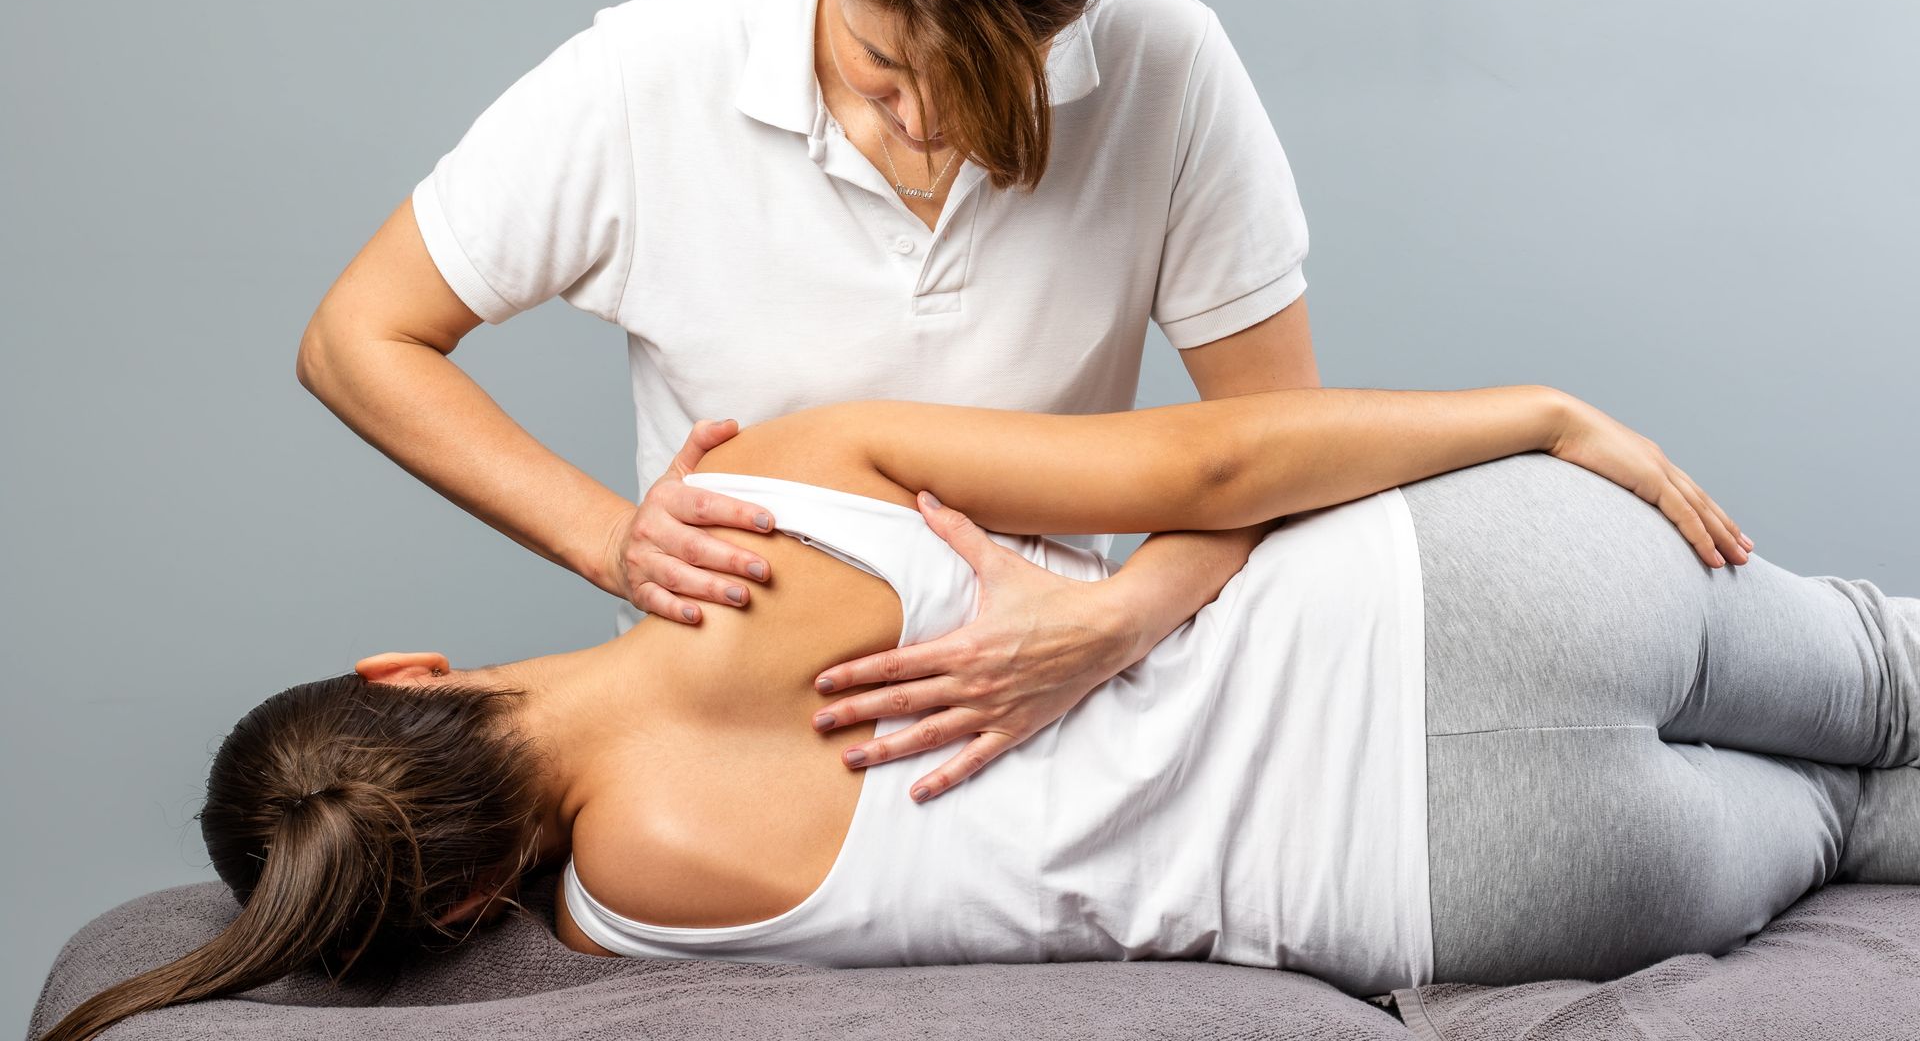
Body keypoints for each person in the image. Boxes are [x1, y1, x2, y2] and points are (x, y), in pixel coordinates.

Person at [47, 384, 1920, 1041]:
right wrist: (1543, 416)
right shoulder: (769, 487)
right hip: (1466, 596)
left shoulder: (632, 911)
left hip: (1466, 883)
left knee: (1860, 832)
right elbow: (1222, 453)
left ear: (453, 910)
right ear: (405, 672)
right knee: (1890, 673)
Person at [296, 0, 1323, 805]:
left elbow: (1282, 443)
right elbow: (357, 338)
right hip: (730, 742)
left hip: (1052, 724)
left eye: (977, 80)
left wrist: (1113, 621)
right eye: (880, 61)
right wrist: (609, 538)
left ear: (1068, 16)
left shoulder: (1168, 68)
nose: (921, 117)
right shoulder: (649, 75)